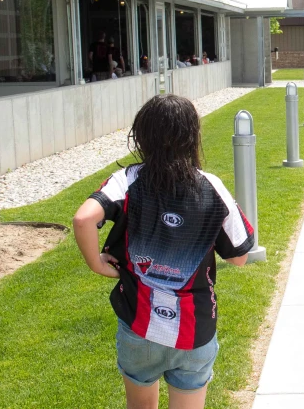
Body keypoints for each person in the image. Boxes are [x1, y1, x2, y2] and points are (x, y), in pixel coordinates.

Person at [73, 94, 254, 409]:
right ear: (192, 137)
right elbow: (239, 257)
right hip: (195, 329)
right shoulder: (212, 186)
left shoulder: (127, 180)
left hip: (139, 326)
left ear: (142, 135)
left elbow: (83, 218)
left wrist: (97, 265)